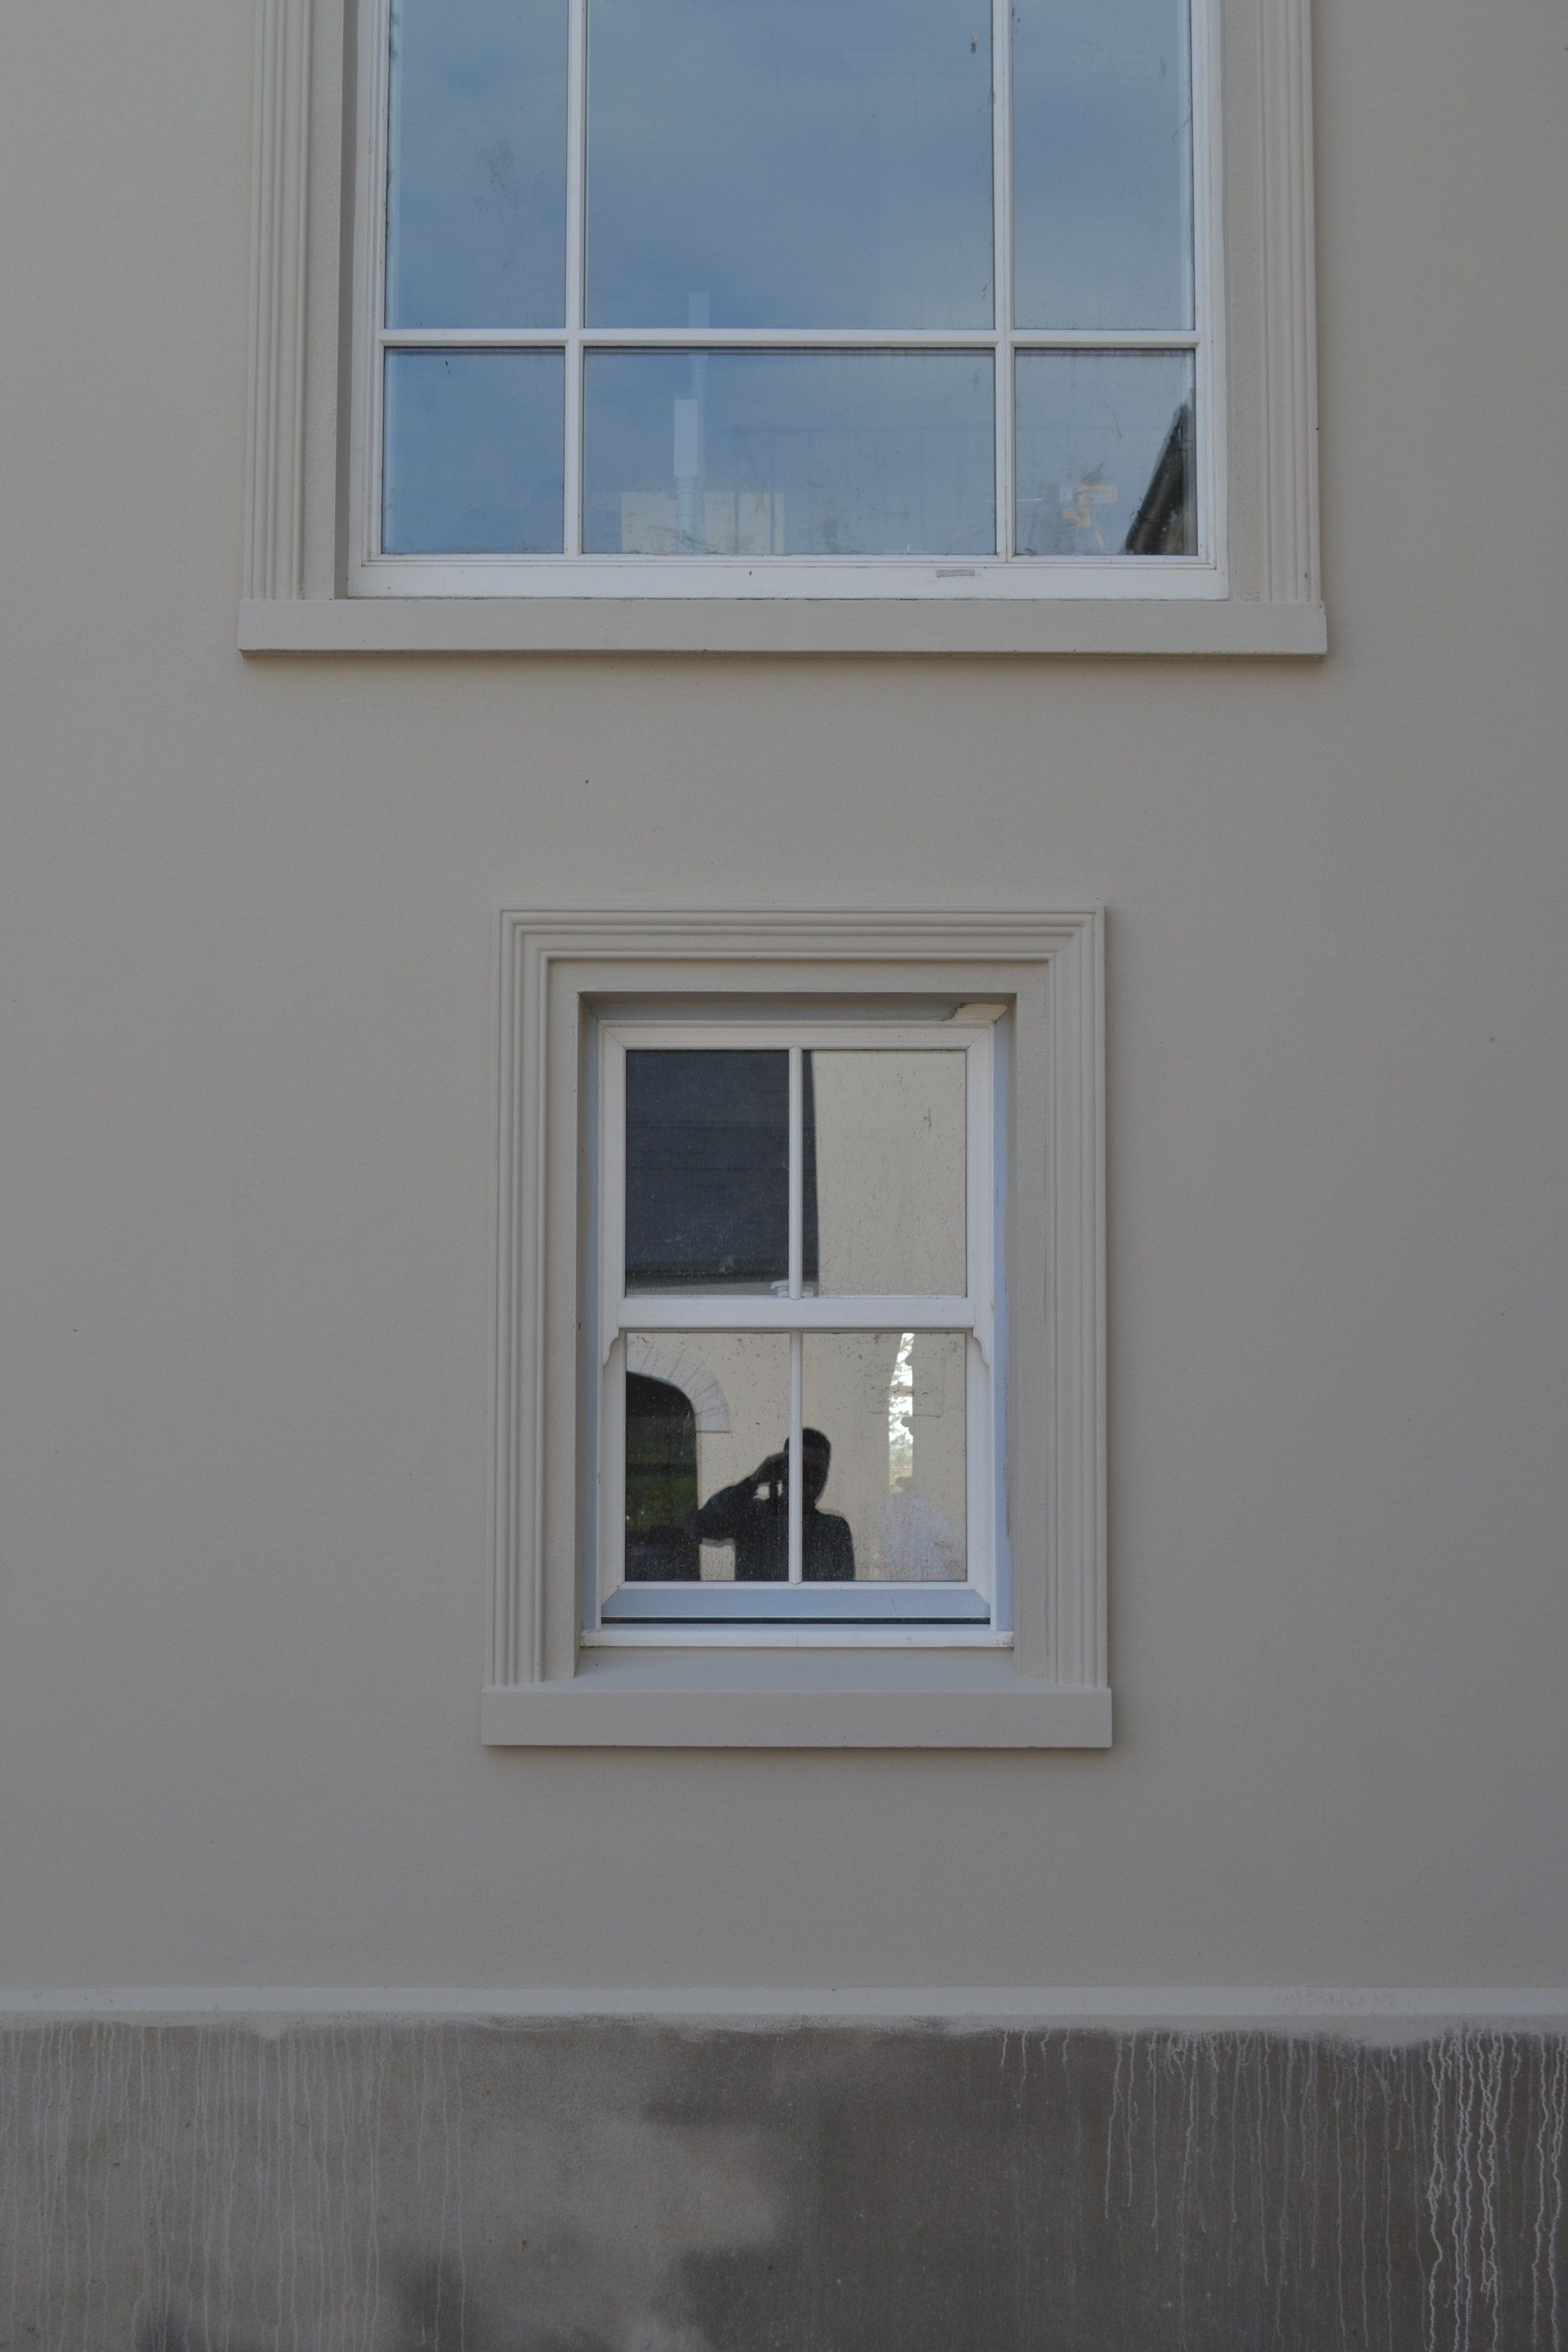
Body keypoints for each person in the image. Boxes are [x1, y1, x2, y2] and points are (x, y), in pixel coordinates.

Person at [692, 1428, 854, 1582]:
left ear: (826, 1476)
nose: (809, 1477)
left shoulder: (834, 1529)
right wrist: (754, 1481)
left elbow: (842, 1594)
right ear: (785, 1469)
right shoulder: (754, 1516)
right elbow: (699, 1526)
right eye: (801, 1468)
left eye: (818, 1470)